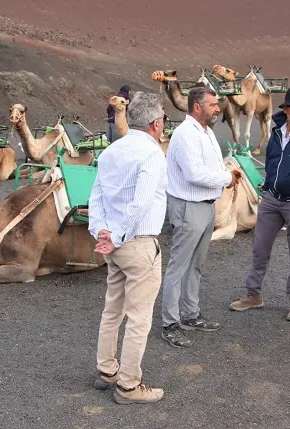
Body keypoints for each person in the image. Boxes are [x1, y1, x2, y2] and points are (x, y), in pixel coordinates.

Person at [88, 91, 168, 405]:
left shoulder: (110, 152)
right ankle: (129, 386)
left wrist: (102, 232)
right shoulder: (152, 154)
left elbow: (96, 197)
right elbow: (141, 202)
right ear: (157, 123)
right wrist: (118, 236)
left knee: (113, 311)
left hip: (115, 246)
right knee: (139, 318)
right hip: (137, 244)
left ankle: (106, 370)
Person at [229, 87, 290, 321]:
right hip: (272, 199)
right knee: (259, 248)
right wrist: (268, 184)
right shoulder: (277, 132)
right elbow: (272, 160)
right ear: (286, 109)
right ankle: (254, 294)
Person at [160, 87, 241, 348]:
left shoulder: (205, 133)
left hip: (205, 207)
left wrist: (224, 174)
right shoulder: (185, 135)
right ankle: (170, 323)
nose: (218, 108)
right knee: (179, 265)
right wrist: (227, 178)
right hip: (188, 206)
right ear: (197, 107)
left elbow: (209, 169)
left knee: (196, 264)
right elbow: (194, 174)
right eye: (213, 104)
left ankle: (190, 314)